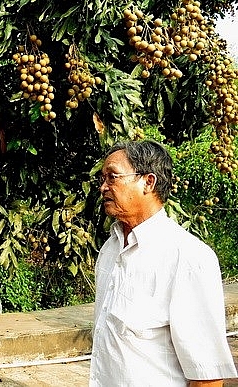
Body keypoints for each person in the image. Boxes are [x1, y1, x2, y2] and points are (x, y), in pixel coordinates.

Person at [90, 140, 237, 387]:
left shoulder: (187, 258)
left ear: (148, 182)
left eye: (113, 177)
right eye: (103, 178)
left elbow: (207, 376)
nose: (104, 187)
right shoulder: (110, 249)